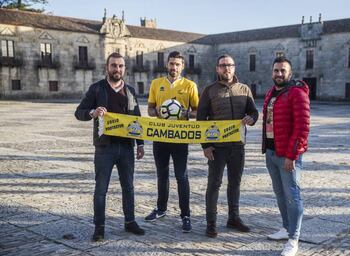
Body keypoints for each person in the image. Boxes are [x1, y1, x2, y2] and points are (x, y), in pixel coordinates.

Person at [75, 52, 145, 242]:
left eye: (120, 66)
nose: (117, 69)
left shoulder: (130, 90)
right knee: (101, 189)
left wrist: (140, 144)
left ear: (124, 69)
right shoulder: (97, 89)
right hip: (104, 148)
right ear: (107, 67)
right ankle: (99, 227)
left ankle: (130, 222)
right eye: (113, 65)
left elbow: (137, 119)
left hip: (126, 148)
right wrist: (93, 112)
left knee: (128, 187)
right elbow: (78, 112)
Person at [197, 54, 258, 238]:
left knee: (235, 183)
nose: (227, 68)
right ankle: (211, 223)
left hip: (238, 146)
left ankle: (233, 218)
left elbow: (253, 111)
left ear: (234, 67)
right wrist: (205, 146)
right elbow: (201, 120)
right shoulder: (209, 90)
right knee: (214, 184)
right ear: (217, 69)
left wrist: (252, 118)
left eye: (230, 65)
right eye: (223, 65)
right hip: (217, 148)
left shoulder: (244, 89)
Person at [145, 51, 199, 233]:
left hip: (180, 137)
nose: (174, 67)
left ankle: (186, 215)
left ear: (182, 66)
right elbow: (150, 110)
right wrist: (157, 112)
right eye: (171, 64)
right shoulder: (156, 84)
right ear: (166, 65)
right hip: (160, 136)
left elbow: (197, 112)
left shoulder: (190, 86)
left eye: (177, 64)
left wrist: (186, 114)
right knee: (162, 174)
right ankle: (161, 209)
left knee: (181, 176)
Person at [262, 56, 310, 256]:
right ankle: (285, 228)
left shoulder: (297, 93)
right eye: (276, 70)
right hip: (272, 152)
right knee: (280, 194)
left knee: (292, 196)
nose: (279, 74)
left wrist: (292, 156)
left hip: (288, 155)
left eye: (283, 71)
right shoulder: (271, 93)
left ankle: (294, 238)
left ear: (290, 73)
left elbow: (302, 128)